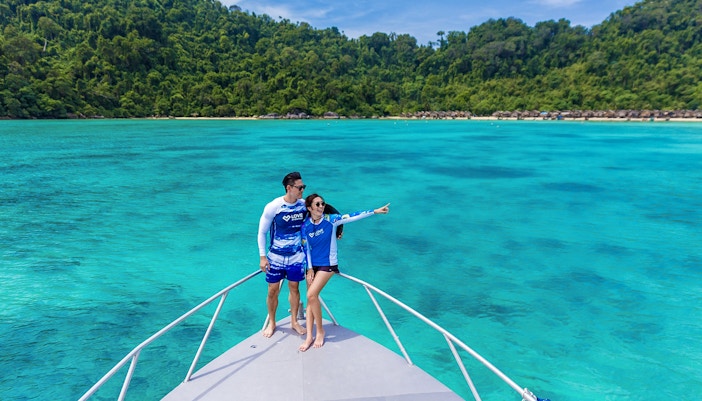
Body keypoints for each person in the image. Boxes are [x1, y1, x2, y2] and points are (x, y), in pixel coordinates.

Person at [298, 193, 390, 351]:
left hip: (329, 264)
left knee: (311, 295)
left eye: (322, 204)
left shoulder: (331, 220)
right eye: (317, 204)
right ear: (309, 208)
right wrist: (310, 268)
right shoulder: (305, 225)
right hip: (313, 266)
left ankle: (320, 331)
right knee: (310, 300)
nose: (321, 207)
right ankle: (309, 337)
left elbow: (353, 216)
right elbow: (306, 248)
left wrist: (374, 211)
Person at [257, 172, 308, 337]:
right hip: (276, 256)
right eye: (300, 187)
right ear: (289, 188)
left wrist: (339, 230)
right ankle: (272, 322)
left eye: (303, 187)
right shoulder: (274, 206)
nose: (302, 190)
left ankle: (294, 322)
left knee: (294, 288)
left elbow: (327, 212)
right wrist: (262, 256)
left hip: (296, 256)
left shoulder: (303, 205)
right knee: (272, 290)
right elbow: (261, 232)